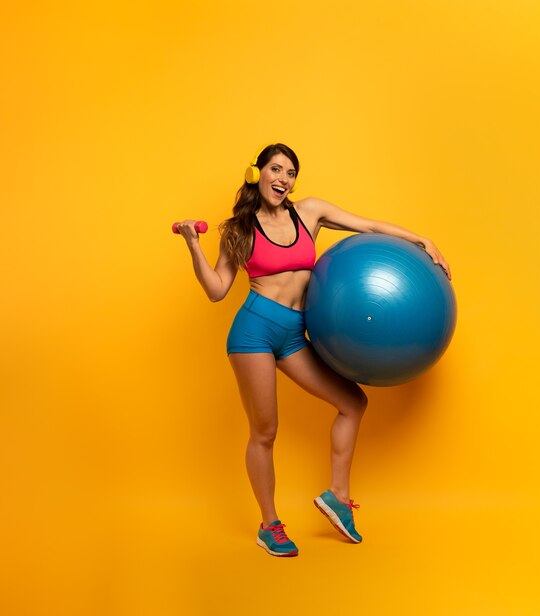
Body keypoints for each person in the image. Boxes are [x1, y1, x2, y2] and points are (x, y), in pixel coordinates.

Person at [175, 143, 451, 557]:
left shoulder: (310, 213)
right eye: (276, 170)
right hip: (253, 332)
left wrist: (420, 240)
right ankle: (270, 525)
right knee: (265, 432)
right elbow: (217, 291)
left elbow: (367, 226)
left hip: (292, 335)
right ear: (257, 173)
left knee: (353, 402)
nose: (283, 180)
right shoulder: (239, 229)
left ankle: (337, 496)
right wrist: (192, 245)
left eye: (290, 174)